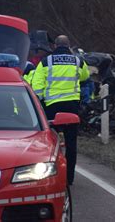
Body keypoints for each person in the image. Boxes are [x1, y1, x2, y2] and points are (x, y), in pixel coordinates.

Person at [31, 35, 90, 185]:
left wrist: (39, 103)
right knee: (71, 143)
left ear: (54, 46)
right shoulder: (78, 61)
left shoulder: (46, 62)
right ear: (69, 46)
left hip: (51, 107)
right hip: (72, 107)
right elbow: (85, 76)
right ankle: (69, 178)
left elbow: (36, 85)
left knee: (50, 143)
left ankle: (50, 176)